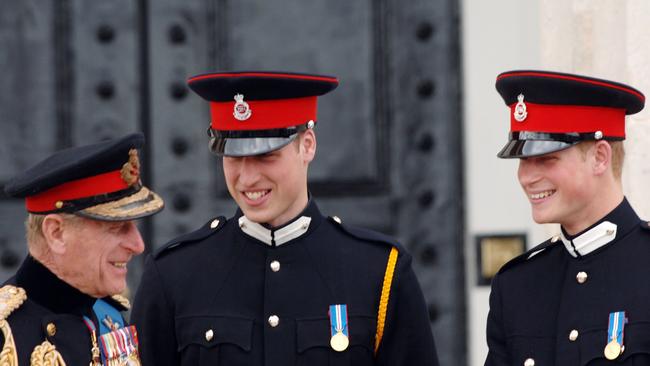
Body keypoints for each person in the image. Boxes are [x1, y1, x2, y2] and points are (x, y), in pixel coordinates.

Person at [132, 71, 439, 366]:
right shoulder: (173, 273)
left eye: (266, 156)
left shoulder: (379, 272)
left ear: (307, 145)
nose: (247, 177)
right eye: (234, 157)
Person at [485, 70, 650, 366]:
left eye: (546, 159)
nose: (527, 177)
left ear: (600, 157)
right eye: (523, 160)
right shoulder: (516, 286)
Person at [0, 132, 164, 365]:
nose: (138, 246)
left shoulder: (108, 316)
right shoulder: (6, 333)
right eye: (117, 228)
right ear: (56, 233)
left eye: (134, 226)